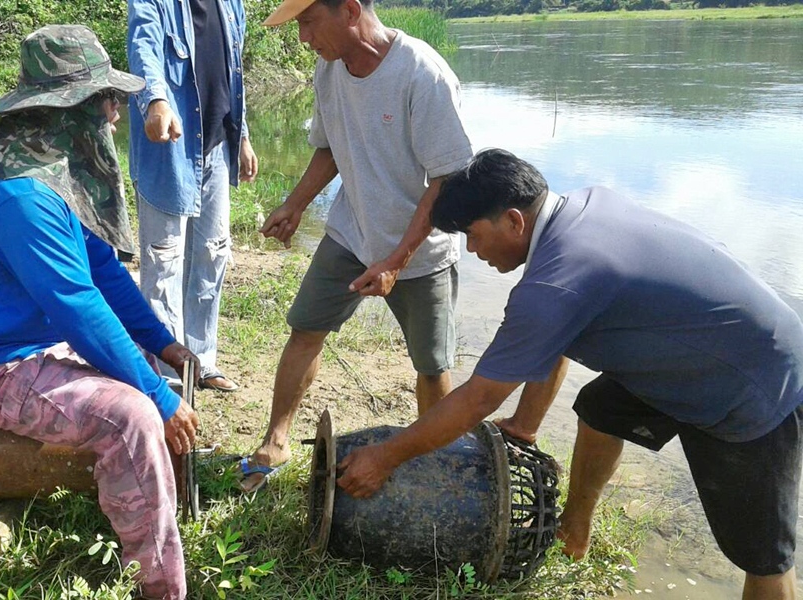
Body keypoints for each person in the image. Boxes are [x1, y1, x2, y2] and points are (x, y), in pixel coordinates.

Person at [337, 148, 803, 600]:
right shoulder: (582, 208)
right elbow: (555, 337)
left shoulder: (555, 282)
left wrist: (385, 457)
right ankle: (575, 528)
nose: (472, 250)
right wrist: (523, 427)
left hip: (754, 381)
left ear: (514, 220)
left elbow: (479, 398)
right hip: (701, 349)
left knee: (764, 557)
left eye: (473, 235)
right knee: (602, 407)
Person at [0, 26, 198, 600]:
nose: (114, 115)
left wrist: (163, 344)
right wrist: (157, 394)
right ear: (69, 109)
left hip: (33, 345)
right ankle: (161, 585)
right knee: (133, 416)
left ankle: (150, 498)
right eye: (107, 101)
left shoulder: (45, 171)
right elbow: (80, 308)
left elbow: (102, 272)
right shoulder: (21, 197)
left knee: (143, 366)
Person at [240, 0, 481, 491]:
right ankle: (276, 440)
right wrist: (295, 204)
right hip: (351, 232)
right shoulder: (329, 69)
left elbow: (448, 179)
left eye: (309, 22)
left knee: (431, 364)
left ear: (349, 11)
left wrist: (396, 260)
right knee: (305, 328)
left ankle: (437, 468)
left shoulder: (422, 74)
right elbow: (330, 146)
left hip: (420, 251)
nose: (304, 38)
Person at [127, 0, 257, 392]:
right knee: (163, 261)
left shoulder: (231, 4)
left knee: (212, 253)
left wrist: (243, 137)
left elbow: (233, 73)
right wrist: (156, 100)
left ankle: (202, 361)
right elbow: (143, 47)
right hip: (169, 146)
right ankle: (169, 373)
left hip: (217, 145)